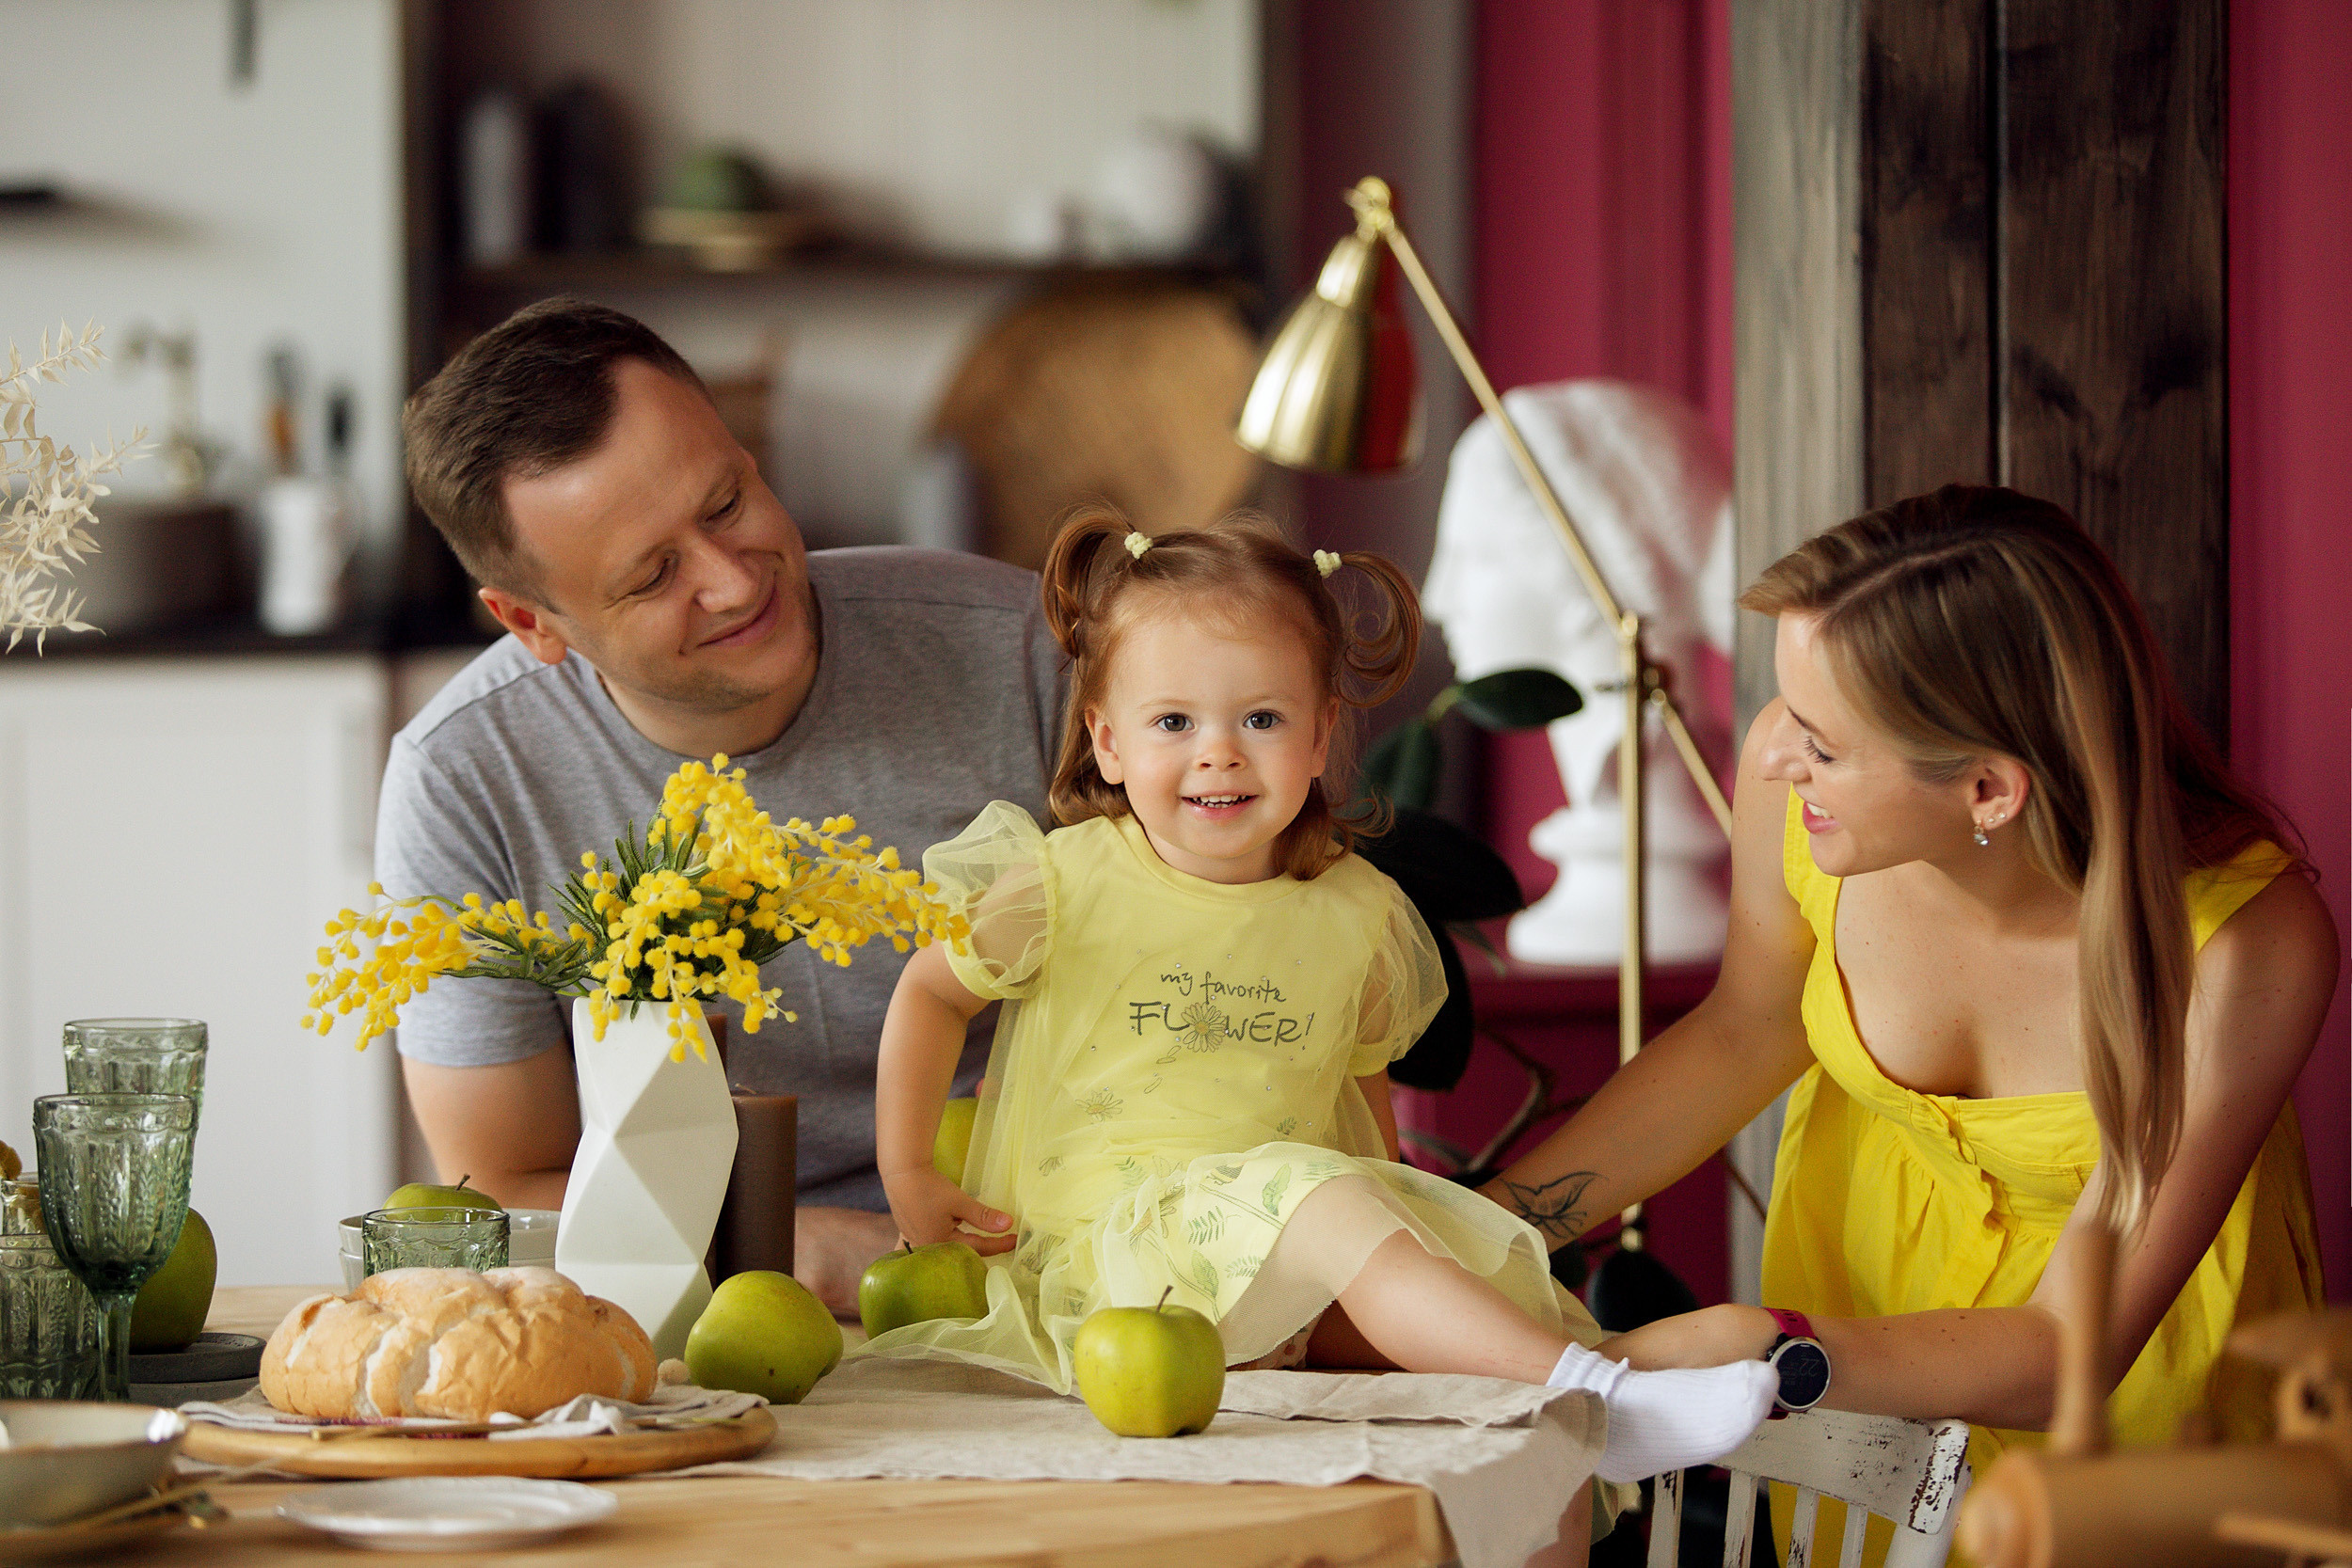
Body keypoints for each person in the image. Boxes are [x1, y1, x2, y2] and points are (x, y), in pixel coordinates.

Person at [1478, 485, 2333, 1548]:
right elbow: (1749, 1028)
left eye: (1825, 744)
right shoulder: (1790, 781)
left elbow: (2070, 1341)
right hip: (1859, 1338)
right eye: (1787, 708)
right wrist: (1489, 1230)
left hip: (2121, 1418)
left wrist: (1774, 1344)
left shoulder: (2244, 947)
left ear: (1988, 788)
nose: (1780, 757)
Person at [868, 508, 1779, 1505]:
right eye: (1174, 722)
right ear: (1108, 741)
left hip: (1280, 1265)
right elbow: (930, 992)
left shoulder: (1356, 912)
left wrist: (1390, 1220)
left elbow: (1357, 1091)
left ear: (1319, 737)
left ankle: (1621, 1379)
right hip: (1120, 1266)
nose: (1218, 753)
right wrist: (909, 1169)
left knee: (1451, 1295)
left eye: (1259, 718)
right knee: (1331, 1208)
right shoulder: (1063, 883)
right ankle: (1599, 1392)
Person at [382, 298, 1063, 1314]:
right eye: (654, 573)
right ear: (533, 622)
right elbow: (507, 1192)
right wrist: (793, 1249)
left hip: (1045, 1271)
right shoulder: (465, 776)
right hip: (678, 1317)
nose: (734, 581)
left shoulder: (1025, 653)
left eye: (728, 501)